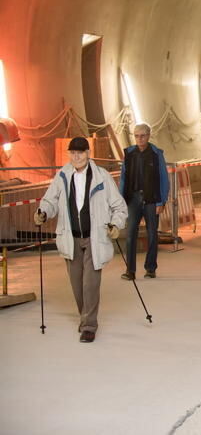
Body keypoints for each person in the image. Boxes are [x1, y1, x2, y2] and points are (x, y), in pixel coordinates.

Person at [34, 137, 128, 343]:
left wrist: (116, 224)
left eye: (80, 153)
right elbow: (50, 200)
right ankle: (85, 316)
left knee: (90, 285)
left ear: (88, 153)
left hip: (94, 238)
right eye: (73, 153)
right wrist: (43, 212)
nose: (76, 157)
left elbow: (119, 206)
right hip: (71, 238)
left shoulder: (101, 177)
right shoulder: (63, 175)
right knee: (77, 285)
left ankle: (89, 325)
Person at [119, 123, 169, 280]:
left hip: (152, 199)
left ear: (149, 136)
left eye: (142, 135)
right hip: (133, 199)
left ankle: (150, 268)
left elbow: (163, 179)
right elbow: (123, 178)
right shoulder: (129, 153)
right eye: (136, 136)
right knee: (130, 233)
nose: (139, 138)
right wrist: (121, 201)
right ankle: (130, 270)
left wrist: (161, 202)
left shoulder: (156, 154)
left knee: (152, 234)